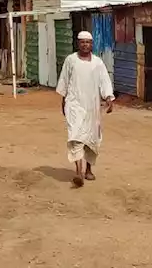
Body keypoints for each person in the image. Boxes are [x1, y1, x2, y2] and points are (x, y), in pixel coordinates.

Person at [56, 29, 114, 187]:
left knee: (91, 138)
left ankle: (88, 169)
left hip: (92, 107)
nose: (85, 45)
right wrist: (64, 101)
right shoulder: (71, 60)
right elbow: (65, 81)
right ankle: (78, 172)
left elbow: (105, 82)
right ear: (78, 43)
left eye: (88, 42)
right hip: (74, 104)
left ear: (92, 44)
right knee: (75, 136)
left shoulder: (97, 63)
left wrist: (109, 98)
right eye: (82, 42)